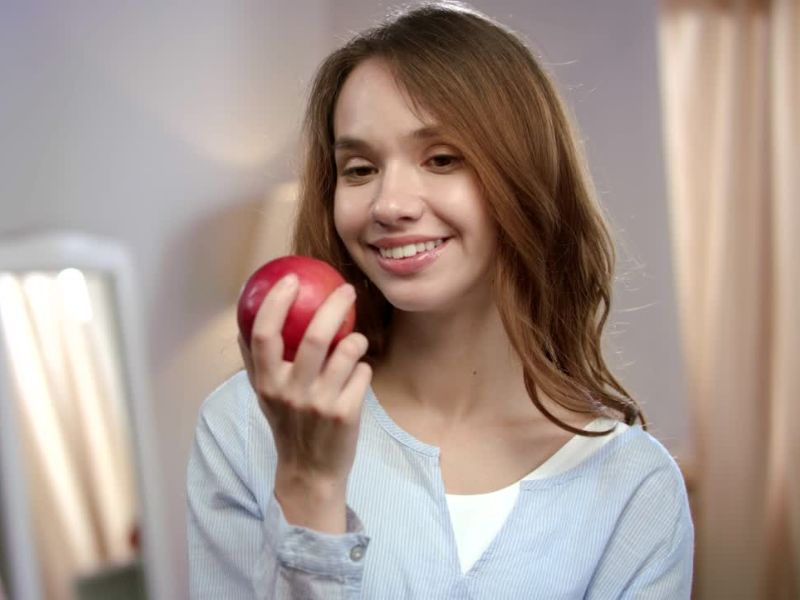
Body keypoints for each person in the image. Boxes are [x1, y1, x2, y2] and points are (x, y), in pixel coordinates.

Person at [186, 2, 694, 598]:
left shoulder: (636, 490)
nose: (388, 205)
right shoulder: (246, 425)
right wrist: (308, 487)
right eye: (359, 169)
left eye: (442, 159)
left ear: (526, 176)